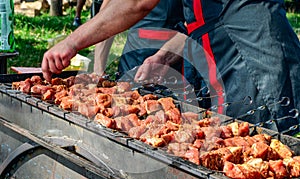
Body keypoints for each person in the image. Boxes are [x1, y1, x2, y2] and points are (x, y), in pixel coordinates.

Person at [42, 0, 300, 135]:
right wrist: (165, 57)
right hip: (220, 56)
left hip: (252, 59)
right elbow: (205, 21)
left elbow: (137, 2)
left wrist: (72, 41)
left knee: (258, 158)